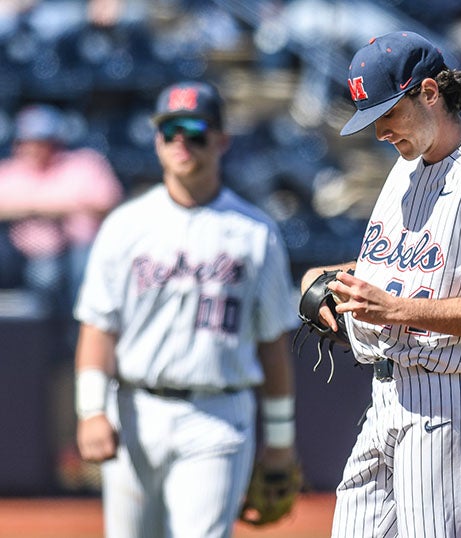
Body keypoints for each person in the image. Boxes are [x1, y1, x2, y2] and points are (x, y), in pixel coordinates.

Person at [300, 31, 461, 537]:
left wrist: (397, 310)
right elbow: (393, 270)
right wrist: (331, 280)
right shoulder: (405, 169)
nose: (381, 131)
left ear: (430, 92)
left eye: (388, 113)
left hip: (447, 401)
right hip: (386, 394)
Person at [73, 80, 299, 538]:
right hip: (135, 409)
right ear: (156, 140)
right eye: (169, 129)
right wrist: (90, 410)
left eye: (195, 128)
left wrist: (280, 439)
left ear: (221, 139)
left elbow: (273, 340)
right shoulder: (125, 225)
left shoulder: (256, 232)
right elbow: (98, 327)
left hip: (217, 416)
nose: (181, 140)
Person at [0, 103, 123, 318]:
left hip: (78, 248)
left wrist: (57, 211)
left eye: (42, 141)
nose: (34, 148)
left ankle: (79, 328)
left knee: (83, 267)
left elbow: (110, 205)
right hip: (23, 253)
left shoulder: (85, 164)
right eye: (27, 142)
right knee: (43, 274)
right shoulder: (8, 171)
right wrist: (30, 211)